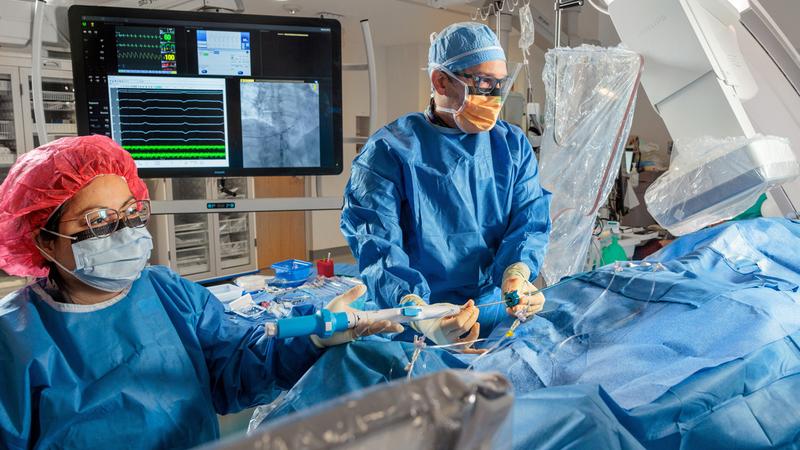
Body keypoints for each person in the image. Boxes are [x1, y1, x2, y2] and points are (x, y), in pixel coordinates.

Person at [0, 135, 402, 450]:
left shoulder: (167, 294)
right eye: (100, 221)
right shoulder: (14, 340)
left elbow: (239, 369)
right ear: (45, 241)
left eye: (131, 212)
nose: (125, 232)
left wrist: (313, 338)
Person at [340, 22, 552, 348]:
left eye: (500, 84)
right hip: (416, 324)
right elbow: (378, 248)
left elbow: (528, 220)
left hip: (493, 313)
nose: (494, 97)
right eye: (483, 83)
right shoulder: (387, 153)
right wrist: (419, 313)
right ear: (441, 81)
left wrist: (517, 275)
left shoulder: (512, 146)